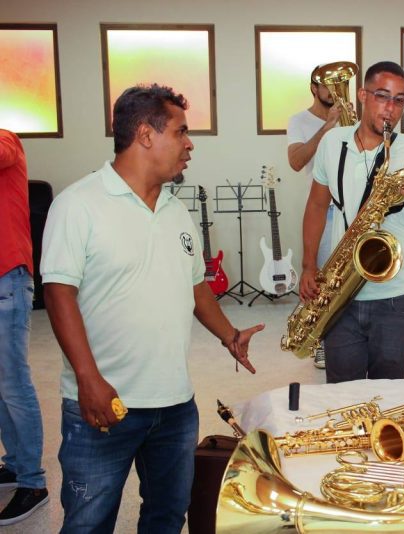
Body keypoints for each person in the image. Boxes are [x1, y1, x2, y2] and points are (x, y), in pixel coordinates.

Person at [40, 84, 264, 533]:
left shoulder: (177, 211)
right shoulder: (78, 205)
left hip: (175, 405)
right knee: (88, 522)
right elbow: (57, 293)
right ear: (145, 134)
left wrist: (228, 334)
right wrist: (87, 379)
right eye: (181, 132)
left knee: (166, 516)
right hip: (104, 404)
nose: (189, 144)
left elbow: (195, 284)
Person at [300, 61, 404, 383]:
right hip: (341, 290)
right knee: (342, 393)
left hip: (399, 295)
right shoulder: (332, 143)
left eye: (400, 100)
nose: (391, 109)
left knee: (389, 394)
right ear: (362, 95)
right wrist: (308, 264)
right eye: (383, 96)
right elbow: (317, 205)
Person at [0, 129, 48, 526]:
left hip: (8, 280)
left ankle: (33, 481)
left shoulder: (7, 140)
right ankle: (14, 464)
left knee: (15, 382)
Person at [287, 66, 349, 370]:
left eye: (341, 84)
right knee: (321, 277)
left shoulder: (354, 119)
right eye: (328, 85)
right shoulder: (299, 121)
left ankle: (346, 337)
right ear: (314, 88)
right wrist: (326, 128)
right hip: (324, 207)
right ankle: (320, 341)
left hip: (353, 207)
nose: (336, 90)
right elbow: (296, 162)